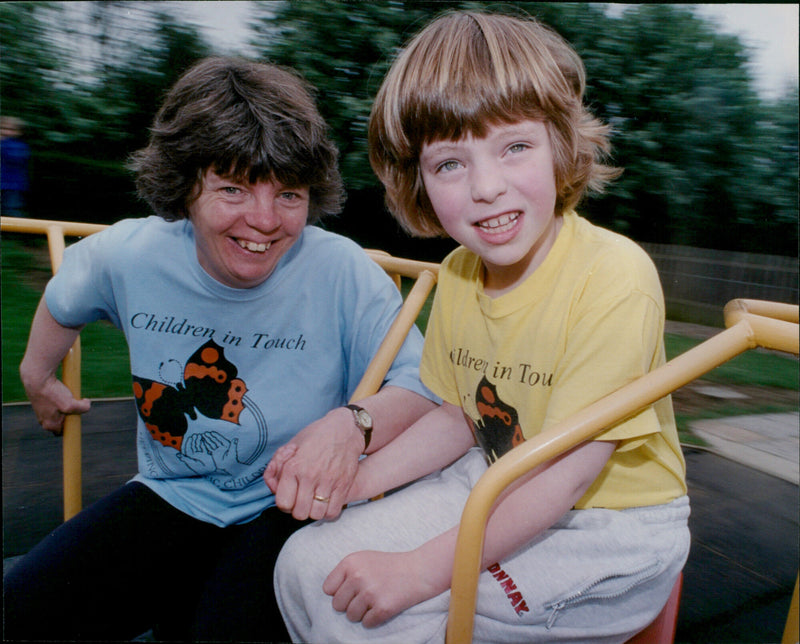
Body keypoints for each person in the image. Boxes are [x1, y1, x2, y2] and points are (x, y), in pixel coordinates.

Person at [274, 11, 690, 643]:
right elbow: (458, 415)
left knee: (415, 611)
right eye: (449, 164)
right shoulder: (460, 273)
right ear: (420, 179)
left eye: (515, 146)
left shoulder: (614, 277)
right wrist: (363, 480)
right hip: (497, 476)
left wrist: (418, 570)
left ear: (560, 144)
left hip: (608, 523)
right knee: (305, 566)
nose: (487, 187)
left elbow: (570, 472)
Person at [3, 57, 438, 642]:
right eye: (233, 188)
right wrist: (37, 376)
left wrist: (350, 425)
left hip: (292, 507)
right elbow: (65, 297)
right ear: (186, 187)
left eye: (289, 194)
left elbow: (422, 383)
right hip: (175, 493)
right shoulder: (132, 253)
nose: (263, 221)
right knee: (21, 612)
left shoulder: (340, 270)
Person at [1, 115, 31, 218]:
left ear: (18, 132)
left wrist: (2, 142)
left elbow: (14, 158)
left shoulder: (20, 146)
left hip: (12, 188)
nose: (6, 132)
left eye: (11, 129)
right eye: (3, 128)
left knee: (12, 213)